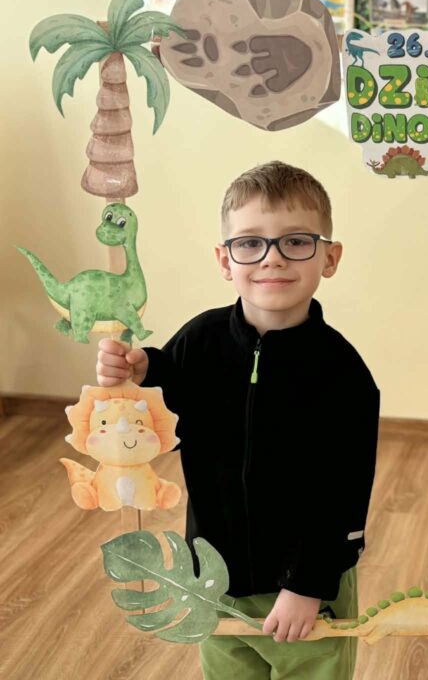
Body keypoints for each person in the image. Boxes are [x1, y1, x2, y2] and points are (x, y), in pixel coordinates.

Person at [96, 161, 378, 680]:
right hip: (215, 577)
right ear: (225, 260)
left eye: (296, 241)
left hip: (304, 591)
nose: (272, 258)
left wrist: (307, 586)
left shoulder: (343, 375)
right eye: (250, 243)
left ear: (330, 257)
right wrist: (136, 372)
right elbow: (163, 415)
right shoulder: (200, 341)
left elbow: (344, 494)